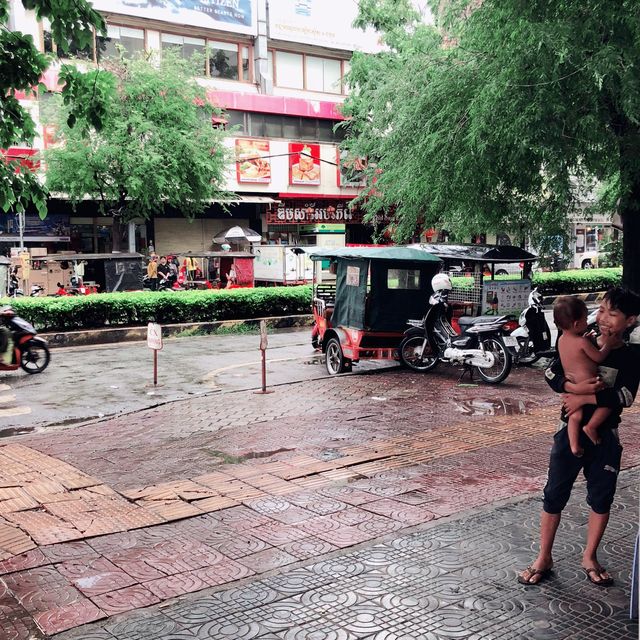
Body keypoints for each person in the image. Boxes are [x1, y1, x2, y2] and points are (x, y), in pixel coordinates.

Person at [518, 287, 640, 587]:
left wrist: (583, 399)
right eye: (601, 311)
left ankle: (590, 555)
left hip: (605, 437)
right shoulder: (577, 341)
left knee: (601, 498)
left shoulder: (632, 356)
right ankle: (544, 556)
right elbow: (550, 373)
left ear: (631, 320)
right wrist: (569, 388)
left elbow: (624, 397)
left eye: (613, 314)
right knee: (554, 494)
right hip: (567, 432)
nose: (603, 318)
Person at [553, 296, 613, 456]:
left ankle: (574, 446)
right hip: (590, 385)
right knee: (607, 403)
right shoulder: (581, 342)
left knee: (574, 416)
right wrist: (609, 344)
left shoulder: (561, 340)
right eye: (586, 319)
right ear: (576, 324)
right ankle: (591, 427)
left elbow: (575, 357)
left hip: (572, 386)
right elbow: (598, 357)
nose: (588, 322)